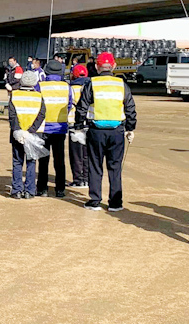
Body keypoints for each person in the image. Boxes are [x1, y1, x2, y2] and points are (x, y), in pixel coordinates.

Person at [74, 53, 137, 212]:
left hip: (96, 131)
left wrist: (79, 125)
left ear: (96, 67)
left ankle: (95, 200)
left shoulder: (92, 83)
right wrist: (130, 128)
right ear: (114, 66)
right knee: (115, 167)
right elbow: (130, 108)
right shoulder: (121, 84)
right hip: (117, 131)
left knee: (95, 166)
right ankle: (115, 203)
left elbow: (82, 106)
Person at [35, 60, 72, 198]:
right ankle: (60, 189)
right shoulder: (66, 87)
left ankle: (42, 189)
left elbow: (37, 104)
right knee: (59, 160)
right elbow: (68, 105)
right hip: (60, 128)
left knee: (43, 160)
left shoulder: (40, 86)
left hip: (43, 128)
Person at [8, 70, 46, 199]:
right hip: (34, 135)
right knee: (31, 162)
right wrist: (31, 131)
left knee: (17, 162)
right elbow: (41, 115)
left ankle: (17, 190)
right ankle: (29, 191)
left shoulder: (14, 95)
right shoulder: (39, 97)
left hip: (17, 135)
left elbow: (12, 115)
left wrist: (18, 130)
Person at [68, 64, 91, 189]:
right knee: (87, 153)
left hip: (73, 124)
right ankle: (87, 179)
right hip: (88, 123)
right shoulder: (91, 87)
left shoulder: (70, 89)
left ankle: (78, 179)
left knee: (76, 154)